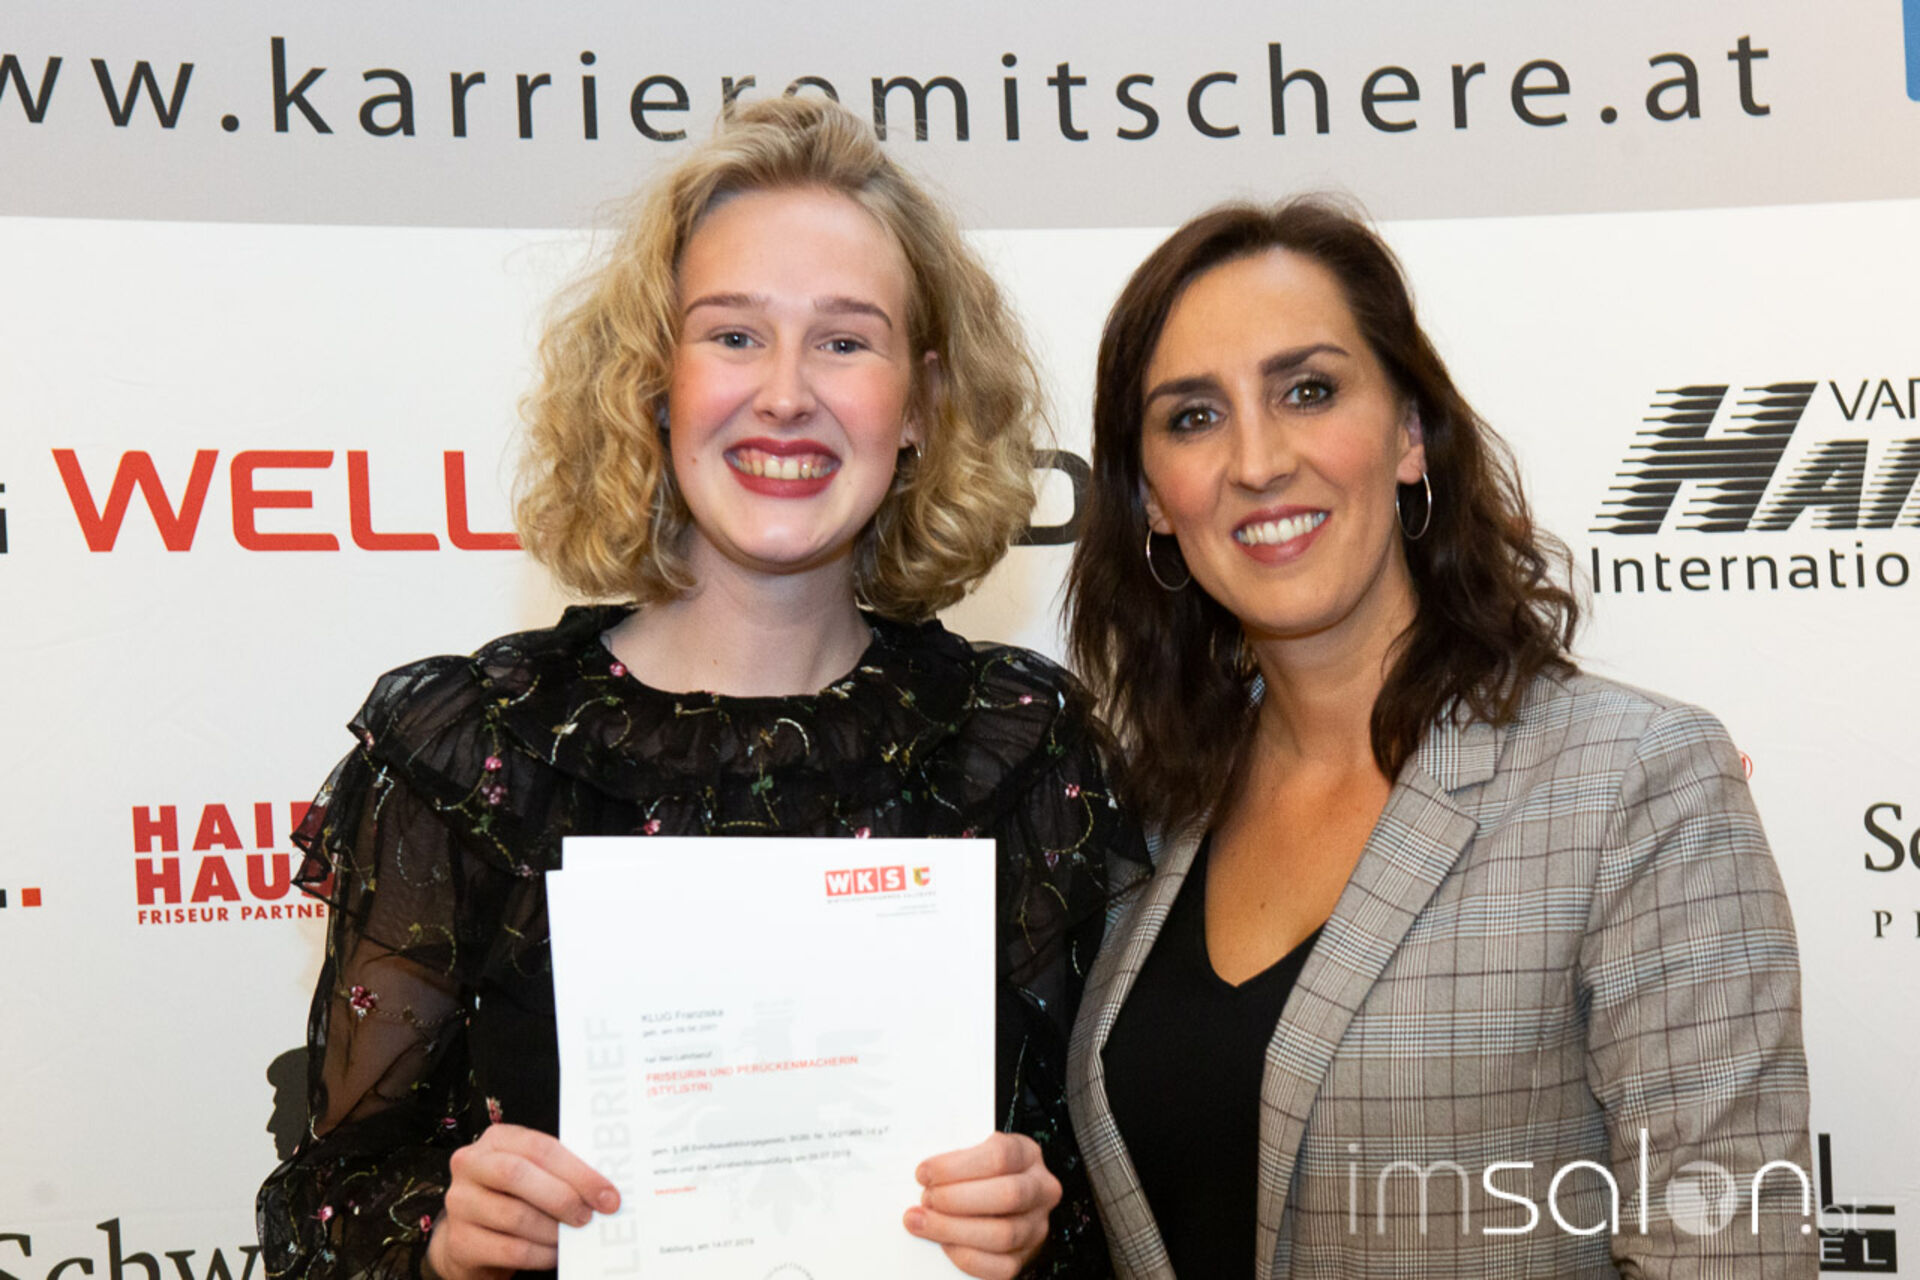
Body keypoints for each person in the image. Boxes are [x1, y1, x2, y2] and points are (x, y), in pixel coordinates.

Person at [257, 96, 1143, 1280]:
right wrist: (440, 1234)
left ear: (922, 403)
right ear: (653, 379)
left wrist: (1036, 1221)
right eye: (732, 334)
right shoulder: (474, 752)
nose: (785, 392)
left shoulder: (1020, 748)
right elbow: (325, 1204)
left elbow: (1123, 1188)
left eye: (845, 341)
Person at [1062, 198, 1813, 1278]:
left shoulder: (1636, 783)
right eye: (1193, 417)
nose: (1257, 461)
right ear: (1150, 499)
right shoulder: (1146, 813)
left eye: (1308, 391)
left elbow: (1731, 1254)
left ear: (1410, 434)